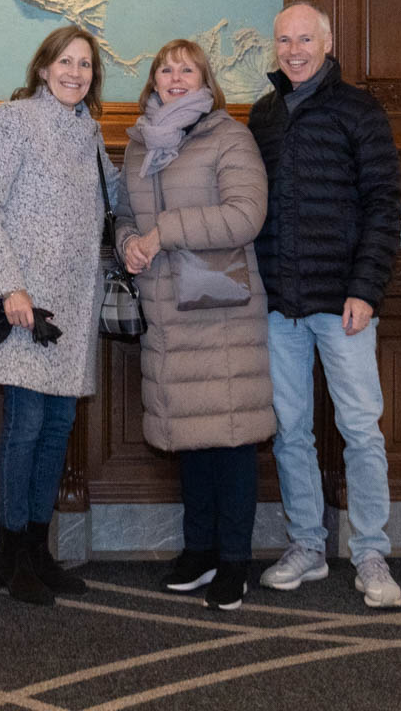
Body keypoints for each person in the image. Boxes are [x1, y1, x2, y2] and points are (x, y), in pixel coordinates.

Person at [249, 1, 401, 609]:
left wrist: (366, 289)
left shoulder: (359, 110)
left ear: (327, 42)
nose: (293, 50)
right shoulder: (263, 115)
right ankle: (308, 545)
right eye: (284, 39)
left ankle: (370, 551)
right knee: (290, 431)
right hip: (278, 305)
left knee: (360, 429)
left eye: (304, 39)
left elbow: (384, 204)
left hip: (343, 306)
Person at [114, 39, 272, 612]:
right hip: (167, 311)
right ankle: (199, 550)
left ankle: (235, 561)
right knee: (192, 439)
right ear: (152, 78)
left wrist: (165, 232)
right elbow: (127, 216)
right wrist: (130, 242)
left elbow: (247, 214)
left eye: (187, 69)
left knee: (230, 439)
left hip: (222, 311)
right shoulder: (138, 144)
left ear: (206, 79)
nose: (175, 77)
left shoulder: (228, 135)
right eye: (165, 68)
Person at [0, 26, 118, 607]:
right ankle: (10, 554)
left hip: (75, 306)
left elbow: (113, 199)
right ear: (43, 65)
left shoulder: (91, 131)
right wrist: (9, 288)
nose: (74, 73)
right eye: (65, 61)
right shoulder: (14, 119)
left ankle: (37, 546)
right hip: (26, 305)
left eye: (85, 65)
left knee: (57, 430)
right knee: (25, 428)